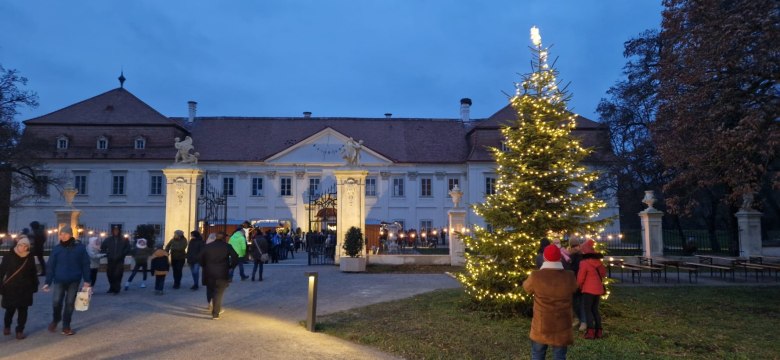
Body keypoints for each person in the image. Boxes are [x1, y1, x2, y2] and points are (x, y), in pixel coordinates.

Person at [523, 244, 578, 360]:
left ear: (544, 258)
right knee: (559, 356)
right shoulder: (569, 276)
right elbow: (575, 288)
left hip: (541, 325)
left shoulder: (536, 276)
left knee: (537, 354)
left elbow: (526, 288)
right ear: (560, 258)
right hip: (562, 324)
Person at [43, 226, 91, 336]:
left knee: (69, 303)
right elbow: (50, 266)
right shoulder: (57, 249)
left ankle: (66, 326)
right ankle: (56, 319)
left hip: (74, 280)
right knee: (56, 301)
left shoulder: (80, 248)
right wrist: (47, 282)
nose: (62, 236)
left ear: (70, 235)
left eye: (65, 234)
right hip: (59, 279)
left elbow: (85, 264)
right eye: (61, 234)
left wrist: (87, 280)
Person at [1, 237, 39, 339]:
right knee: (10, 309)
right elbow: (2, 271)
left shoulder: (29, 257)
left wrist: (35, 285)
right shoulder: (9, 256)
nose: (23, 248)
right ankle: (7, 326)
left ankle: (20, 330)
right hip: (11, 287)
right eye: (21, 245)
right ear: (17, 245)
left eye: (26, 246)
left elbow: (33, 272)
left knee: (23, 310)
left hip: (25, 288)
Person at [200, 231, 238, 320]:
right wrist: (231, 266)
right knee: (219, 293)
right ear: (224, 238)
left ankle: (212, 305)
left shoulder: (207, 246)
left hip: (209, 271)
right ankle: (215, 313)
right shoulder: (227, 246)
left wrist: (204, 265)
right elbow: (235, 257)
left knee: (211, 289)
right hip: (222, 272)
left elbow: (200, 258)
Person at [578, 239, 607, 339]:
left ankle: (590, 332)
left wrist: (579, 285)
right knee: (595, 310)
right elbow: (603, 274)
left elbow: (580, 278)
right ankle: (599, 331)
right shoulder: (599, 262)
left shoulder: (584, 263)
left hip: (588, 290)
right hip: (598, 289)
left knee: (588, 310)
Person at [100, 227, 131, 294]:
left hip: (120, 260)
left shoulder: (124, 239)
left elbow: (128, 248)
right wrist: (107, 253)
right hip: (111, 259)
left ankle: (117, 288)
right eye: (114, 230)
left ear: (119, 231)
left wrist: (122, 254)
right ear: (112, 231)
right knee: (110, 274)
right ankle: (112, 287)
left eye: (117, 230)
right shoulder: (108, 239)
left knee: (118, 274)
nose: (116, 232)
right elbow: (103, 247)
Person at [568, 240, 587, 331]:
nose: (575, 247)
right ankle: (579, 319)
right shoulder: (569, 256)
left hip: (581, 283)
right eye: (573, 246)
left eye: (576, 245)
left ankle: (584, 321)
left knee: (582, 302)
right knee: (575, 303)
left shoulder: (582, 256)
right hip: (572, 283)